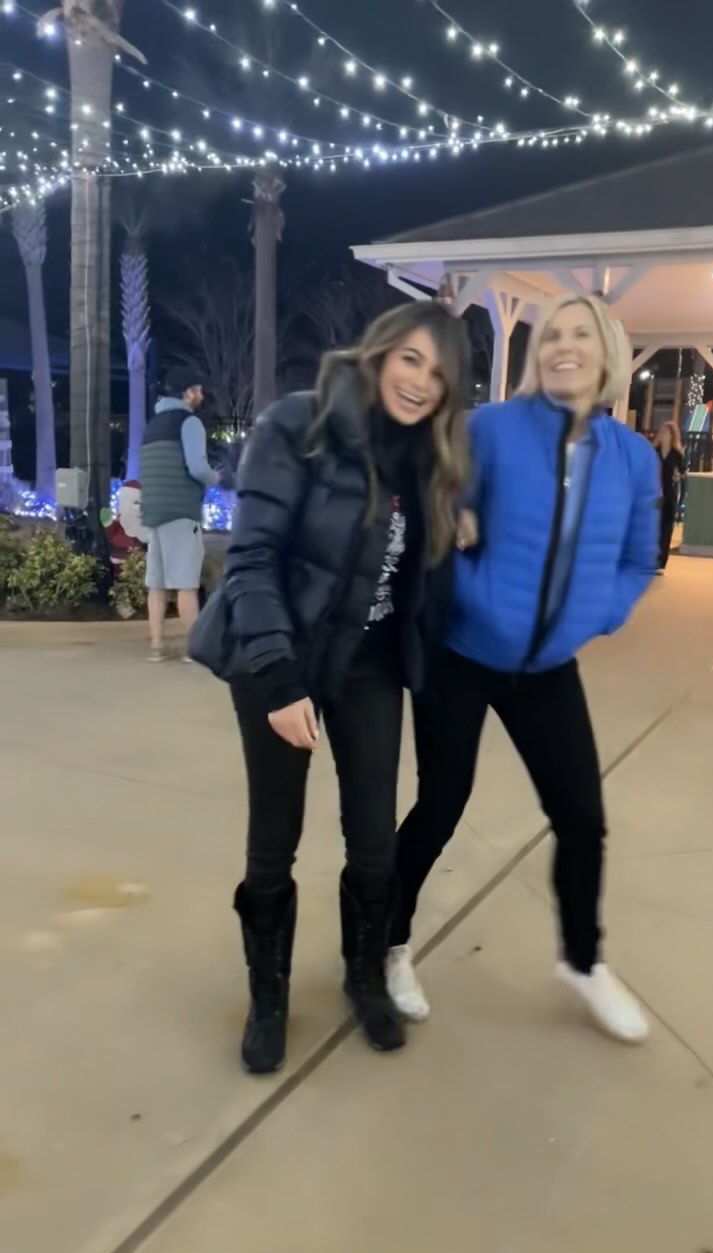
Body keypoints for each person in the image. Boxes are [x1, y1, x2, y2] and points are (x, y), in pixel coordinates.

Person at [387, 294, 660, 1045]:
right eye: (550, 335)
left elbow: (639, 559)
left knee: (582, 818)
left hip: (548, 666)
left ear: (607, 354)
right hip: (465, 652)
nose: (561, 346)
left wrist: (598, 613)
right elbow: (436, 511)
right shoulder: (492, 430)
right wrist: (465, 545)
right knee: (441, 804)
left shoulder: (632, 458)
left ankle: (583, 960)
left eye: (580, 335)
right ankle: (387, 940)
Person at [223, 301, 471, 1074]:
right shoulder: (297, 423)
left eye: (439, 374)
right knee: (274, 840)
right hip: (283, 659)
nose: (420, 382)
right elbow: (250, 560)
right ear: (379, 351)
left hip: (370, 667)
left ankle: (363, 978)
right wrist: (278, 679)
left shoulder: (430, 458)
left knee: (372, 840)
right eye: (410, 359)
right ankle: (268, 997)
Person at [140, 367, 219, 661]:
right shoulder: (189, 422)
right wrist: (216, 478)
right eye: (197, 390)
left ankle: (157, 647)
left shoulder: (152, 426)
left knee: (157, 584)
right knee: (186, 584)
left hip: (154, 511)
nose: (201, 395)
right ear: (187, 393)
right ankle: (193, 649)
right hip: (181, 511)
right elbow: (197, 467)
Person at [654, 419, 685, 572]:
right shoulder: (654, 451)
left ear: (673, 436)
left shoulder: (676, 454)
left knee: (666, 527)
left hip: (669, 494)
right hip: (654, 494)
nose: (666, 435)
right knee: (654, 527)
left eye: (669, 433)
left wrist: (678, 476)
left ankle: (661, 562)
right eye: (664, 432)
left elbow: (683, 472)